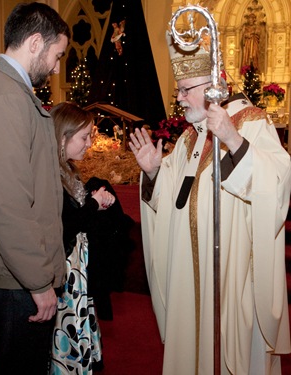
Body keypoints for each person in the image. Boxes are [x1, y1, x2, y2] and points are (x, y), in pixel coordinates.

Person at [129, 31, 291, 374]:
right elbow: (171, 198)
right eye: (179, 89)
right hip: (187, 275)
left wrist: (233, 140)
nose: (180, 98)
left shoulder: (253, 121)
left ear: (215, 85)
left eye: (187, 89)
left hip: (230, 277)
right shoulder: (189, 137)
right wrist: (155, 171)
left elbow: (277, 185)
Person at [0, 3, 70, 375]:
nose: (56, 67)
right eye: (57, 56)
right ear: (35, 43)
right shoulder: (3, 96)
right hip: (14, 277)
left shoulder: (4, 90)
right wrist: (38, 281)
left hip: (14, 272)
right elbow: (5, 204)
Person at [49, 102, 116, 373]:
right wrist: (92, 205)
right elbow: (62, 224)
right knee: (66, 331)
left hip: (77, 267)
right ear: (62, 137)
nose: (89, 143)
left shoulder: (68, 168)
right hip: (63, 269)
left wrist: (94, 203)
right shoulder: (51, 173)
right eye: (84, 137)